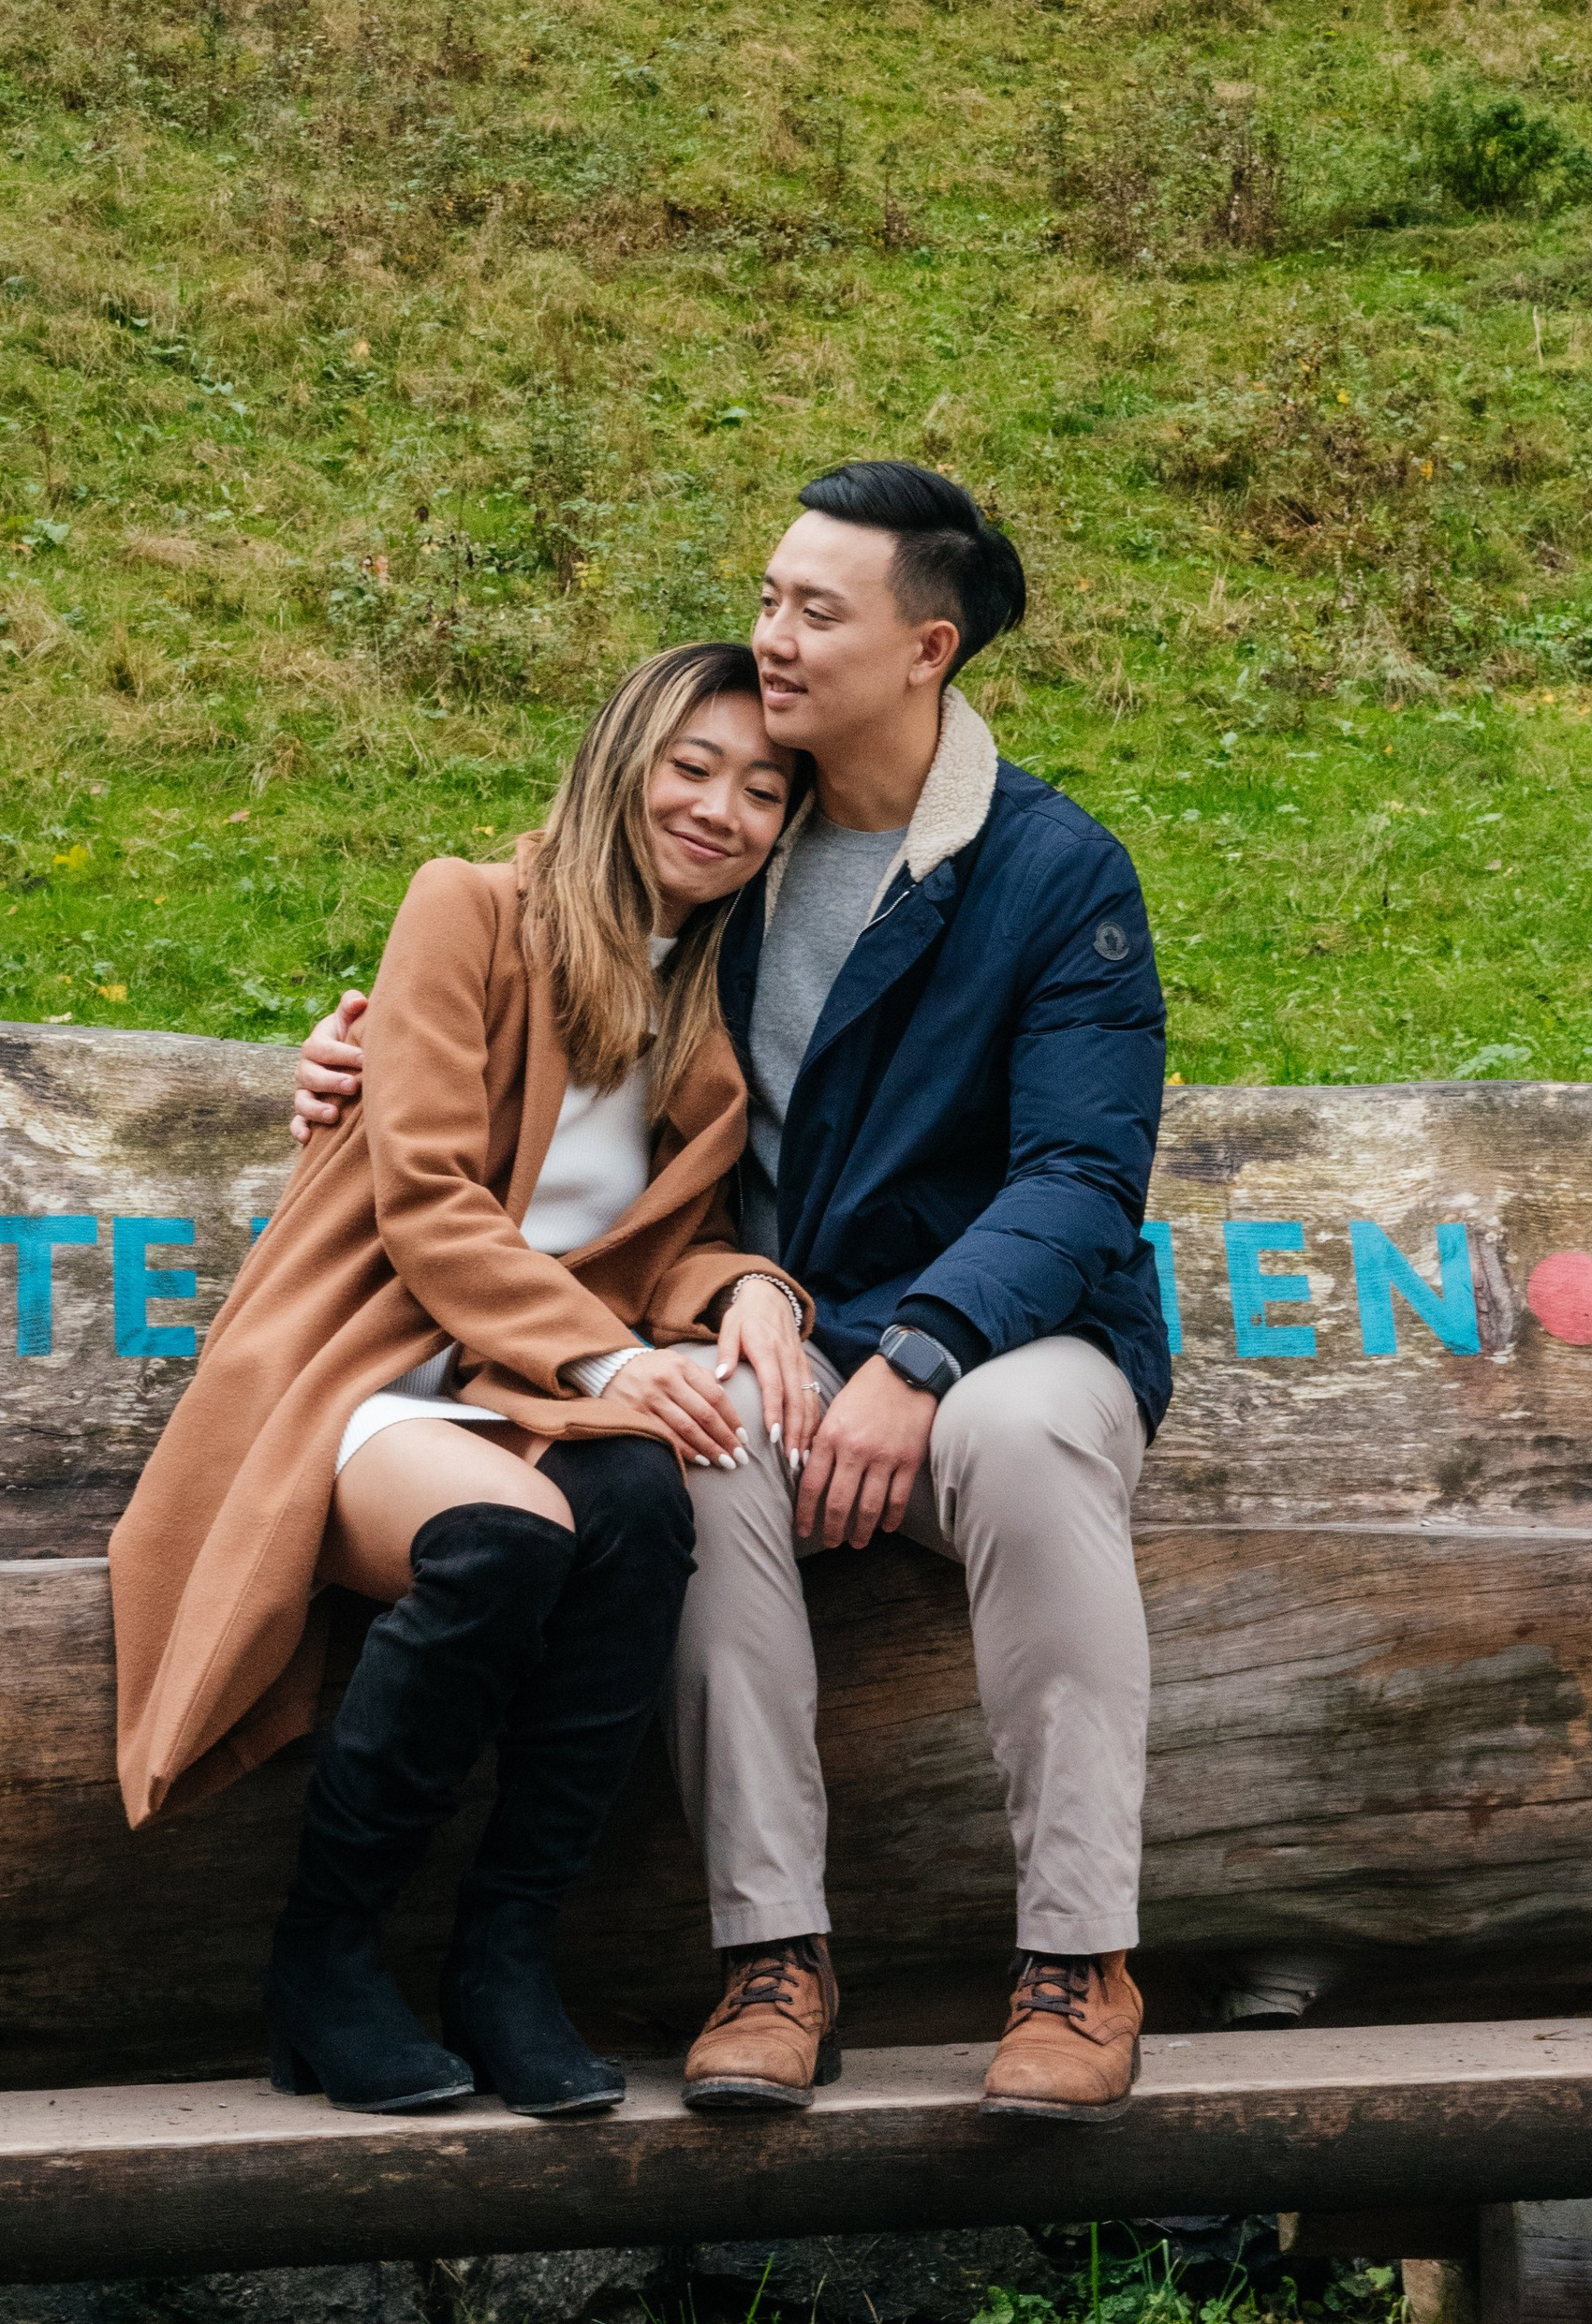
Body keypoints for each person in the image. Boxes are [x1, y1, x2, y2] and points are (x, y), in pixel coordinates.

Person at [294, 459, 1170, 2126]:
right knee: (699, 1462)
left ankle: (1078, 1963)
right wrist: (342, 1044)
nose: (771, 634)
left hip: (1015, 1334)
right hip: (768, 1326)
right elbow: (538, 940)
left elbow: (1079, 1180)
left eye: (814, 611)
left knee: (1030, 1442)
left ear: (927, 649)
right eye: (768, 596)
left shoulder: (1055, 876)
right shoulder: (731, 844)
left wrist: (922, 1350)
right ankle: (774, 1956)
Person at [110, 641, 818, 2124]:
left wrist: (744, 1286)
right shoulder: (471, 909)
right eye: (691, 766)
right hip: (374, 1364)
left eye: (763, 789)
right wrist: (617, 1356)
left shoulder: (709, 1003)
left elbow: (666, 1240)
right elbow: (428, 1196)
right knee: (502, 1540)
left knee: (636, 1502)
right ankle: (326, 1959)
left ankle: (505, 1955)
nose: (720, 809)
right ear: (623, 758)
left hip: (537, 1385)